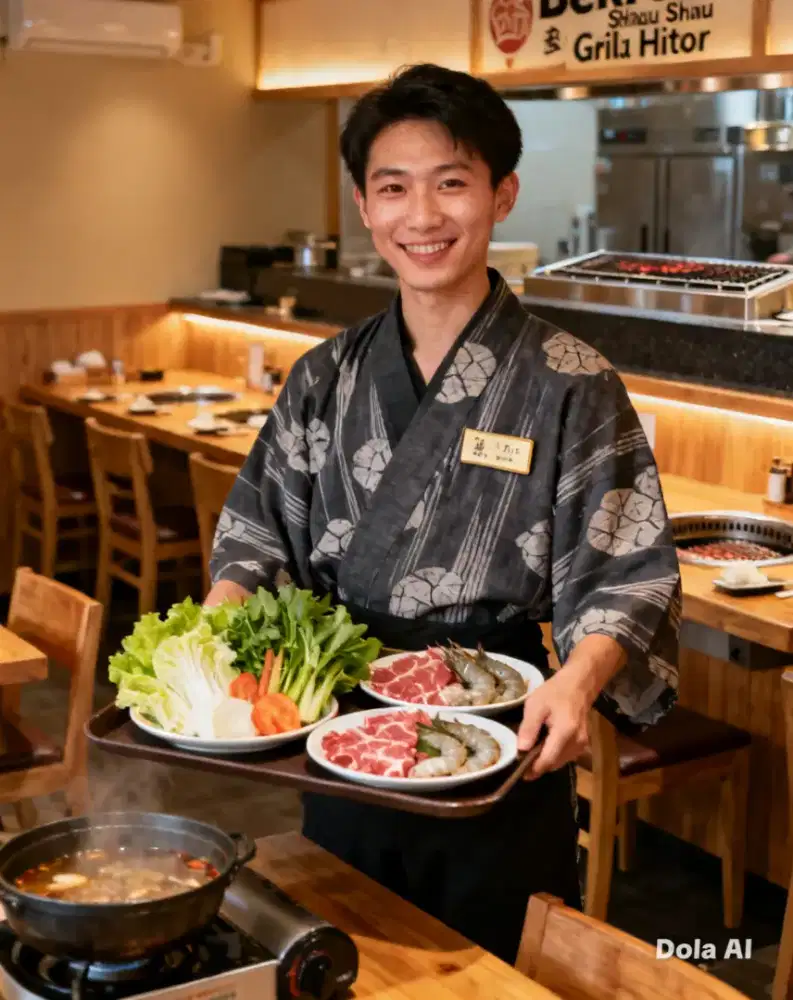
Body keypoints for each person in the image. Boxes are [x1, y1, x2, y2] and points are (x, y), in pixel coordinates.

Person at [205, 64, 681, 963]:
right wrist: (216, 644)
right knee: (347, 954)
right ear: (363, 203)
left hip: (501, 732)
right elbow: (256, 527)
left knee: (488, 964)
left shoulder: (570, 381)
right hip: (340, 726)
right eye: (394, 187)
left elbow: (627, 570)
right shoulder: (325, 376)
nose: (421, 217)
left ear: (501, 195)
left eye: (451, 182)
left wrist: (577, 684)